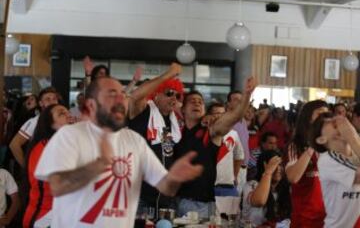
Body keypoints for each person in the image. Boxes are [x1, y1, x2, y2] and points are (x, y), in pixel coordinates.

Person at [34, 77, 202, 228]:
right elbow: (58, 186)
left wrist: (175, 178)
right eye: (112, 94)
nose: (121, 99)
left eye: (122, 94)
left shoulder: (134, 141)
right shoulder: (70, 135)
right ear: (91, 104)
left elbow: (166, 187)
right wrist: (98, 165)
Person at [175, 77, 256, 219]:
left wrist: (247, 95)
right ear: (182, 109)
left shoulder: (211, 129)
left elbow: (234, 117)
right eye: (192, 101)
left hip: (201, 206)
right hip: (176, 202)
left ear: (204, 110)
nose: (197, 104)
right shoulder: (176, 133)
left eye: (200, 102)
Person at [128, 63, 183, 214]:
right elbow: (134, 97)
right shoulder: (144, 111)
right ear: (156, 95)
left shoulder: (175, 123)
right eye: (169, 92)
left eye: (177, 95)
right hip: (139, 195)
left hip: (165, 197)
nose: (174, 98)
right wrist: (168, 74)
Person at [23, 104, 72, 228]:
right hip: (44, 217)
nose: (68, 116)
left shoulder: (67, 145)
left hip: (62, 213)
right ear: (50, 124)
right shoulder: (44, 148)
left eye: (68, 112)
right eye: (62, 114)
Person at [309, 113, 360, 227]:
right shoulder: (327, 159)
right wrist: (352, 137)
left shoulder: (356, 149)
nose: (338, 122)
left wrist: (354, 137)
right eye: (329, 122)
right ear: (321, 139)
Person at [285, 100, 328, 227]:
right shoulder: (295, 145)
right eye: (319, 113)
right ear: (308, 117)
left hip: (329, 218)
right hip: (304, 218)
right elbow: (293, 177)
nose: (324, 118)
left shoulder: (332, 146)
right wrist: (312, 146)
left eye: (326, 114)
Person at [206, 102, 244, 217]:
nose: (220, 116)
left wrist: (234, 176)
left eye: (222, 114)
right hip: (207, 188)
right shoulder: (203, 133)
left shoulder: (233, 134)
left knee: (230, 222)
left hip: (227, 187)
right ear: (208, 115)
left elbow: (239, 156)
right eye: (216, 113)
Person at [9, 87, 59, 167]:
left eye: (54, 99)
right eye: (48, 99)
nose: (52, 102)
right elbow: (14, 145)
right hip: (42, 170)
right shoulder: (35, 121)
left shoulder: (62, 119)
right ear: (40, 103)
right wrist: (27, 168)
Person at [242, 150, 291, 228]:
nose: (278, 168)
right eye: (274, 165)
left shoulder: (285, 189)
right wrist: (268, 172)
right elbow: (259, 201)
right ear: (264, 165)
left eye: (280, 165)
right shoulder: (252, 185)